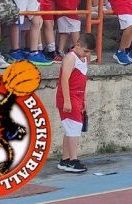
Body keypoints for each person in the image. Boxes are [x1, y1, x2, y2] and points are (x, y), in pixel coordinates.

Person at [55, 32, 95, 174]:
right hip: (69, 97)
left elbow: (83, 79)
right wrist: (66, 100)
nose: (86, 54)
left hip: (77, 97)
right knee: (74, 128)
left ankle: (65, 160)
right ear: (77, 44)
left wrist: (84, 99)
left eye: (89, 52)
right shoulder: (70, 58)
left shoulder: (83, 58)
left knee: (71, 129)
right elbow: (64, 80)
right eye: (85, 51)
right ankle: (73, 160)